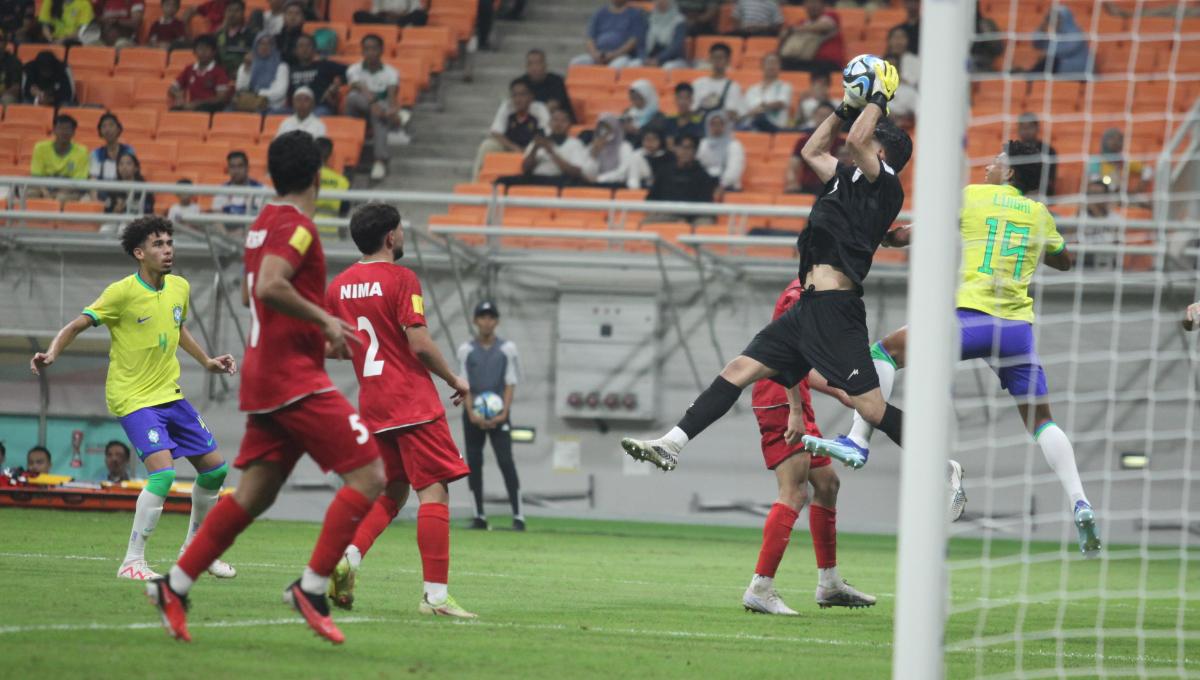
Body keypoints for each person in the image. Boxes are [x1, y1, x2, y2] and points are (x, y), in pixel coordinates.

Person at [145, 131, 387, 644]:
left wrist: (314, 338)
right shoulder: (298, 227)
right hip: (291, 382)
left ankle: (175, 584)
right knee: (369, 475)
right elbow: (269, 286)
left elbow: (256, 295)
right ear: (318, 174)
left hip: (271, 372)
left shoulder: (261, 225)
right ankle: (312, 589)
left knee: (255, 493)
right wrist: (325, 321)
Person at [619, 61, 910, 475]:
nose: (858, 138)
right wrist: (845, 107)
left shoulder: (887, 187)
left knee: (871, 407)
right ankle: (672, 443)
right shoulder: (846, 179)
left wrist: (880, 96)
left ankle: (943, 463)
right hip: (807, 307)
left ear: (882, 153)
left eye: (869, 140)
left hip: (837, 310)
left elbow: (858, 140)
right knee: (739, 370)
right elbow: (812, 150)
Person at [836, 140, 1101, 557]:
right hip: (1016, 330)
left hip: (968, 321)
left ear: (1011, 172)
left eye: (997, 160)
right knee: (1042, 421)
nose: (989, 164)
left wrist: (886, 237)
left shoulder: (972, 198)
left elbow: (908, 236)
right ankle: (1079, 501)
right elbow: (1065, 260)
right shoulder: (1039, 214)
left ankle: (858, 439)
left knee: (884, 352)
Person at [31, 217, 239, 581]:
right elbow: (77, 324)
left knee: (216, 469)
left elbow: (177, 326)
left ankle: (196, 552)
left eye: (169, 242)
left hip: (169, 394)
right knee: (163, 475)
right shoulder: (121, 292)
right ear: (140, 253)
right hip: (134, 397)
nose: (168, 249)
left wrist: (206, 361)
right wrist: (51, 354)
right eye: (158, 244)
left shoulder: (179, 287)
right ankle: (132, 561)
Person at [324, 203, 476, 617]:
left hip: (373, 405)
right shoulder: (402, 278)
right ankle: (436, 597)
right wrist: (454, 379)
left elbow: (331, 346)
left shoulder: (339, 286)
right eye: (402, 230)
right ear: (390, 236)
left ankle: (348, 558)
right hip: (412, 402)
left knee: (393, 490)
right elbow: (421, 344)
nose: (404, 236)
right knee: (435, 491)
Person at [743, 278, 874, 615]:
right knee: (795, 492)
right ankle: (760, 587)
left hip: (794, 397)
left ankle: (829, 583)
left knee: (828, 484)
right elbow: (786, 359)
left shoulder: (822, 291)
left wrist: (841, 392)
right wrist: (796, 412)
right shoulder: (799, 295)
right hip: (779, 399)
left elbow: (803, 367)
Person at [457, 301, 523, 531]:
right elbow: (463, 383)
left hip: (499, 416)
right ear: (476, 320)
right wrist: (471, 413)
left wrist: (503, 413)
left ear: (497, 321)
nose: (487, 321)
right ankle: (479, 516)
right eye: (482, 317)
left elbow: (510, 382)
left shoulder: (508, 349)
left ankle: (518, 516)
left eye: (491, 317)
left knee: (506, 462)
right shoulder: (466, 350)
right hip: (473, 417)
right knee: (473, 464)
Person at [345, 33, 404, 181]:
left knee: (379, 113)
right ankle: (375, 158)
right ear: (362, 51)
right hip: (357, 110)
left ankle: (379, 160)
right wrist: (375, 104)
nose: (370, 52)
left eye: (374, 49)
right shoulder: (354, 69)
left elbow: (392, 96)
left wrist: (391, 109)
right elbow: (359, 86)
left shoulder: (391, 72)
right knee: (352, 97)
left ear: (381, 50)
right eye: (366, 49)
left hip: (378, 113)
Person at [474, 78, 550, 180]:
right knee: (487, 145)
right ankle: (476, 182)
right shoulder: (507, 106)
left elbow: (546, 135)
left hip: (533, 150)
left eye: (522, 95)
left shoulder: (539, 109)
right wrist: (514, 148)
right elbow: (496, 132)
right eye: (514, 95)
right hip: (510, 147)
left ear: (531, 96)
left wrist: (529, 150)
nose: (518, 99)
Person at [501, 108, 587, 187]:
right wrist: (535, 148)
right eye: (555, 120)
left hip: (559, 181)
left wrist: (551, 152)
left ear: (569, 125)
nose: (558, 124)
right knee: (503, 181)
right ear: (549, 123)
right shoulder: (539, 141)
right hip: (536, 180)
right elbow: (525, 169)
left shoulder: (575, 144)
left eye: (563, 121)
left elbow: (576, 173)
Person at [645, 132, 719, 220]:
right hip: (668, 213)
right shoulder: (664, 172)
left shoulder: (702, 175)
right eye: (681, 147)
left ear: (695, 151)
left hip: (695, 216)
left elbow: (706, 204)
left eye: (689, 148)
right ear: (675, 149)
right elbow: (651, 198)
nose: (685, 151)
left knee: (705, 224)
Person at [570, 0, 647, 69]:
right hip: (598, 54)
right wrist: (595, 54)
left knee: (615, 67)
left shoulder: (635, 14)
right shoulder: (600, 13)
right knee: (576, 63)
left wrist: (613, 55)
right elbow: (590, 38)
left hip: (621, 56)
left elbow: (633, 41)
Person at [28, 114, 88, 199]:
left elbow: (78, 181)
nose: (64, 132)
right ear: (54, 130)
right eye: (60, 128)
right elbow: (36, 176)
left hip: (68, 189)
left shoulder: (82, 151)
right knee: (31, 193)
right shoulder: (40, 148)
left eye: (68, 129)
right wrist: (45, 193)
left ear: (74, 132)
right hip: (44, 187)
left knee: (62, 197)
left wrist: (56, 195)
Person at [778, 0, 845, 76]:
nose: (813, 6)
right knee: (784, 63)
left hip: (829, 63)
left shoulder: (831, 15)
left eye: (816, 3)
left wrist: (795, 30)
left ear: (823, 5)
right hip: (806, 61)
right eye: (809, 2)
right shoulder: (802, 23)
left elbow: (824, 26)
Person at [170, 34, 233, 112]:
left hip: (209, 110)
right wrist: (178, 96)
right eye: (200, 48)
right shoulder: (189, 69)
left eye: (207, 49)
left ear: (214, 52)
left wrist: (198, 104)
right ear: (194, 52)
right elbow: (173, 88)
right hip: (191, 109)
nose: (203, 52)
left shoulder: (219, 72)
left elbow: (221, 98)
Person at [287, 34, 346, 116]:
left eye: (308, 45)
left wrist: (337, 84)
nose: (305, 49)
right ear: (295, 51)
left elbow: (350, 71)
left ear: (314, 49)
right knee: (273, 114)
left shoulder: (324, 65)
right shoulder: (289, 70)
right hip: (294, 109)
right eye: (301, 46)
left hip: (319, 107)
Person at [786, 110, 841, 194]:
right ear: (814, 116)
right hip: (808, 185)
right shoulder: (803, 141)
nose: (823, 119)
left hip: (835, 185)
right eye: (821, 116)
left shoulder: (841, 142)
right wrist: (792, 182)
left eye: (827, 117)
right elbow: (793, 166)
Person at [1087, 128, 1152, 197]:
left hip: (1122, 197)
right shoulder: (1096, 161)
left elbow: (1148, 170)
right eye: (1112, 139)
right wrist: (1113, 187)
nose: (1116, 142)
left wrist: (1140, 186)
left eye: (1119, 139)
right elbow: (1095, 183)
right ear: (1104, 141)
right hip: (1103, 197)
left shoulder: (1123, 161)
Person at [236, 32, 290, 113]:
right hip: (249, 105)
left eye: (269, 44)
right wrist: (247, 70)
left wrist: (257, 93)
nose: (265, 47)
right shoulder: (247, 65)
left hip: (272, 107)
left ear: (273, 47)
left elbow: (279, 93)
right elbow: (240, 88)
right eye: (261, 43)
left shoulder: (281, 67)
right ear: (255, 46)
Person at [515, 49, 574, 121]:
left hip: (556, 121)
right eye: (530, 64)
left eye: (537, 63)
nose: (534, 67)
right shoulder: (521, 83)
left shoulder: (556, 81)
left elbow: (553, 106)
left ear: (545, 65)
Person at [738, 53, 792, 132]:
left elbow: (781, 103)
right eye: (769, 63)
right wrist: (753, 112)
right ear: (762, 66)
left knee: (760, 118)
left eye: (775, 63)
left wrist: (761, 107)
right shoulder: (752, 89)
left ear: (780, 67)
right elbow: (745, 111)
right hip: (752, 126)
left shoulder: (785, 86)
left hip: (775, 127)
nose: (771, 66)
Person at [1032, 4, 1090, 77]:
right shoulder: (1055, 32)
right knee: (1047, 62)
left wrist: (1046, 49)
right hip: (1059, 66)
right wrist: (1042, 29)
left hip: (1077, 68)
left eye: (1058, 18)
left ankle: (1029, 77)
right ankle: (1029, 77)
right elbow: (1036, 44)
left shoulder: (1075, 32)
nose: (1054, 21)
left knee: (1049, 61)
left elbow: (1065, 50)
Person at [582, 114, 636, 187]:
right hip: (594, 187)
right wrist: (594, 154)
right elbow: (587, 174)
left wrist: (599, 179)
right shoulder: (593, 146)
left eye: (608, 128)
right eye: (601, 128)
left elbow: (623, 173)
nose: (604, 131)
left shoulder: (624, 146)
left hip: (617, 187)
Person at [697, 111, 745, 192]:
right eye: (713, 124)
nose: (716, 127)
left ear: (726, 126)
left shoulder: (734, 145)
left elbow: (734, 171)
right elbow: (699, 164)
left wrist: (721, 184)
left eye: (720, 124)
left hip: (728, 187)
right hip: (705, 184)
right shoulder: (703, 144)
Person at [692, 42, 742, 116]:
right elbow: (692, 109)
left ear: (728, 61)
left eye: (721, 58)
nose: (717, 61)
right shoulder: (698, 83)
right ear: (710, 59)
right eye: (714, 57)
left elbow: (732, 112)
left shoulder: (733, 86)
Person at [881, 26, 919, 122]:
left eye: (902, 37)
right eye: (895, 37)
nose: (898, 41)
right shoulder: (873, 88)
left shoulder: (915, 61)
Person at [212, 151, 265, 218]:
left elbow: (263, 219)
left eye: (240, 166)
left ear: (247, 168)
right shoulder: (221, 191)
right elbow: (216, 219)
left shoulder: (261, 190)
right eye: (232, 167)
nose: (236, 171)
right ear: (228, 169)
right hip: (226, 228)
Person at [637, 0, 687, 69]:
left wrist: (658, 59)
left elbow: (676, 46)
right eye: (658, 1)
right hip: (650, 58)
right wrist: (644, 58)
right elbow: (641, 43)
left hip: (674, 59)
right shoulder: (650, 19)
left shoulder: (679, 21)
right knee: (635, 65)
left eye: (664, 1)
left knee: (668, 67)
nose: (661, 3)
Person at [1016, 112, 1057, 196]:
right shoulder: (1012, 151)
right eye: (1023, 127)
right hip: (1016, 193)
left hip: (1041, 195)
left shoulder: (1049, 151)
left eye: (1030, 127)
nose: (1026, 131)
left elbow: (1049, 180)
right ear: (1018, 129)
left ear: (1037, 128)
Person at [104, 150, 155, 216]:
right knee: (106, 227)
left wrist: (128, 206)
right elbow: (107, 212)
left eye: (128, 163)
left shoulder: (144, 188)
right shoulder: (113, 188)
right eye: (121, 164)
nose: (124, 167)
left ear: (136, 168)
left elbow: (149, 211)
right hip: (115, 221)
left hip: (137, 221)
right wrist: (116, 210)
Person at [90, 112, 135, 183]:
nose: (107, 130)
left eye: (111, 125)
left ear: (118, 129)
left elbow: (130, 177)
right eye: (104, 126)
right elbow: (93, 180)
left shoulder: (128, 150)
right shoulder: (96, 153)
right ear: (100, 131)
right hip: (102, 191)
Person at [215, 0, 256, 76]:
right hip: (221, 76)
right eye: (229, 10)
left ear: (243, 13)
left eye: (237, 10)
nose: (232, 14)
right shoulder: (218, 34)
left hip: (244, 74)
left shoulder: (251, 34)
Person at [314, 137, 349, 222]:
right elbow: (344, 212)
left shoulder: (303, 177)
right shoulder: (342, 181)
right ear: (330, 156)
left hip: (306, 232)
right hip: (331, 231)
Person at [622, 79, 665, 146]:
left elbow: (657, 134)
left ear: (647, 97)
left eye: (638, 97)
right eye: (632, 98)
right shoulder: (627, 113)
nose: (635, 101)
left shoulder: (658, 116)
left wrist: (637, 131)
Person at [274, 0, 305, 65]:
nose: (293, 17)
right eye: (289, 13)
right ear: (284, 17)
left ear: (303, 18)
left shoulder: (305, 40)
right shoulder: (275, 38)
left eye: (297, 13)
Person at [353, 0, 428, 26]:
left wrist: (398, 16)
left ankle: (398, 24)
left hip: (402, 19)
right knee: (359, 15)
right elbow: (375, 12)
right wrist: (387, 15)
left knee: (421, 15)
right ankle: (389, 24)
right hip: (383, 20)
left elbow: (416, 9)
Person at [0, 32, 24, 105]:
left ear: (5, 43)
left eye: (0, 41)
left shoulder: (14, 62)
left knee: (7, 100)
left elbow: (16, 87)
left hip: (6, 95)